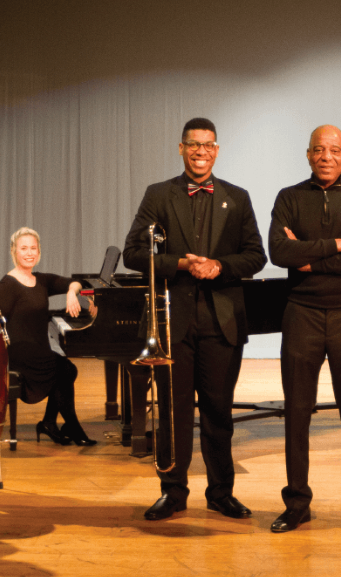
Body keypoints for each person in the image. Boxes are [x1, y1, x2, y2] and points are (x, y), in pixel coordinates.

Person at [122, 118, 266, 521]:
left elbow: (256, 255)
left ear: (216, 150)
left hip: (222, 323)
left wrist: (219, 265)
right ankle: (173, 492)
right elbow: (133, 253)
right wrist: (182, 264)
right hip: (173, 323)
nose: (201, 152)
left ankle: (221, 493)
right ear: (181, 148)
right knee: (173, 412)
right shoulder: (159, 194)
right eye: (193, 145)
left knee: (219, 413)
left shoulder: (237, 197)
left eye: (208, 145)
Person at [267, 125, 341, 535]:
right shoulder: (288, 197)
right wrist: (337, 244)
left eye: (334, 150)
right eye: (318, 150)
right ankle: (297, 503)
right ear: (308, 154)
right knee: (297, 411)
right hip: (301, 313)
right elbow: (278, 251)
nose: (326, 156)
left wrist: (308, 258)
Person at [0, 227, 97, 447]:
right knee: (66, 370)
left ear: (39, 251)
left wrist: (71, 293)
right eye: (24, 248)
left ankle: (50, 423)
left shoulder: (40, 280)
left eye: (33, 248)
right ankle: (71, 426)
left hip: (38, 350)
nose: (29, 253)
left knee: (65, 370)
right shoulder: (6, 286)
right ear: (14, 251)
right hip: (18, 353)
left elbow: (77, 282)